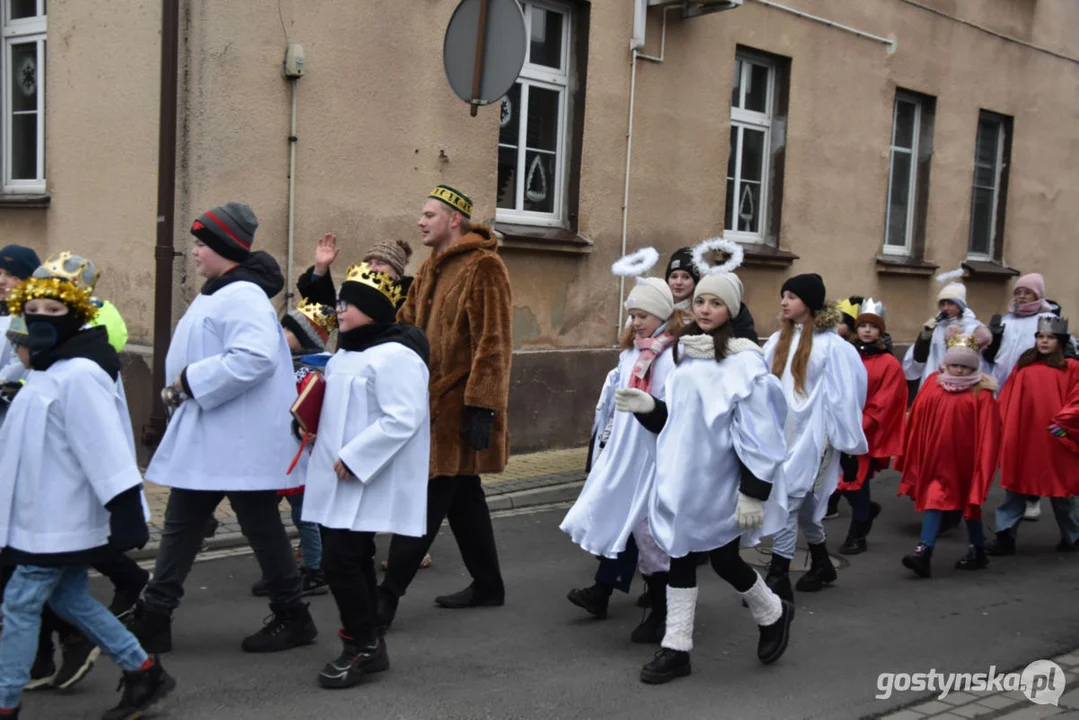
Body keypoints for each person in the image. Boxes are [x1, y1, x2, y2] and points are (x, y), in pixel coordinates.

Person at [130, 202, 318, 654]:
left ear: (223, 248)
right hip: (220, 438)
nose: (193, 252)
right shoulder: (223, 290)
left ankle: (158, 615)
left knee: (202, 524)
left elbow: (252, 358)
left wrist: (189, 382)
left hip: (231, 439)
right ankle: (160, 614)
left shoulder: (242, 295)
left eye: (200, 244)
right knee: (204, 523)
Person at [0, 275, 175, 719]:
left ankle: (6, 702)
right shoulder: (44, 373)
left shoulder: (78, 375)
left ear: (74, 316)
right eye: (33, 311)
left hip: (62, 521)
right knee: (69, 599)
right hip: (40, 519)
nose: (40, 321)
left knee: (20, 603)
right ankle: (144, 670)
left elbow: (105, 445)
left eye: (53, 312)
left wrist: (124, 507)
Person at [614, 265, 792, 684]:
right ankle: (677, 649)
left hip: (721, 483)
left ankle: (772, 613)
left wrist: (753, 492)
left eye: (715, 303)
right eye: (700, 301)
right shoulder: (686, 355)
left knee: (726, 561)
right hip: (683, 482)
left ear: (731, 310)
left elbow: (759, 435)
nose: (706, 309)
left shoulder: (744, 363)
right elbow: (677, 423)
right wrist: (649, 409)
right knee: (683, 555)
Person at [377, 185, 511, 629]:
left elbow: (494, 343)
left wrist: (482, 407)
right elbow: (404, 327)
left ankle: (387, 597)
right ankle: (489, 585)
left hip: (459, 407)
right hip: (426, 403)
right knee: (464, 499)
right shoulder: (430, 268)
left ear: (455, 220)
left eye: (429, 214)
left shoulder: (485, 266)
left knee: (428, 499)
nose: (420, 221)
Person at [301, 263, 430, 689]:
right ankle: (365, 641)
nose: (338, 310)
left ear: (373, 309)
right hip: (342, 478)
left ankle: (364, 645)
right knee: (348, 560)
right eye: (339, 302)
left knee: (341, 561)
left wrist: (357, 457)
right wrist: (307, 422)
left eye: (348, 303)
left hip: (368, 477)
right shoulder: (348, 352)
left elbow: (403, 417)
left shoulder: (395, 356)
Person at [561, 275, 677, 643]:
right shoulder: (630, 355)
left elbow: (675, 410)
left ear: (661, 314)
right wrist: (604, 446)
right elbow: (613, 406)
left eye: (644, 315)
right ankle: (651, 606)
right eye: (633, 315)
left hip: (657, 457)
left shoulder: (674, 356)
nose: (637, 322)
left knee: (653, 534)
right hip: (627, 455)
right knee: (633, 530)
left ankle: (662, 612)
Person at [762, 274, 868, 599]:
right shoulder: (778, 340)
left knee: (789, 503)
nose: (784, 302)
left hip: (815, 438)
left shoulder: (834, 347)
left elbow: (846, 396)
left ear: (808, 302)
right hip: (783, 437)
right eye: (783, 295)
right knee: (805, 509)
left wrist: (846, 445)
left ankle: (778, 577)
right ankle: (823, 564)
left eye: (791, 296)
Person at [249, 298, 339, 598]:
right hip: (275, 451)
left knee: (304, 517)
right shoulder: (282, 363)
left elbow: (321, 408)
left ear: (303, 337)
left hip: (302, 455)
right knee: (263, 518)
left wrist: (311, 429)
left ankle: (314, 570)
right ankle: (279, 571)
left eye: (287, 331)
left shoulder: (315, 370)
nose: (280, 336)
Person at [897, 327, 1001, 576]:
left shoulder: (981, 394)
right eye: (954, 365)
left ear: (974, 368)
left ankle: (977, 550)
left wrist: (982, 466)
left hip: (966, 464)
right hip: (937, 460)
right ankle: (924, 551)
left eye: (965, 367)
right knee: (935, 500)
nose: (959, 370)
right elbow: (919, 419)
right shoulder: (934, 386)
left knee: (969, 507)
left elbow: (990, 433)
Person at [987, 316, 1079, 556]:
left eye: (1050, 337)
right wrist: (1001, 426)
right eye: (1040, 337)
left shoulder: (1072, 368)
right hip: (1024, 438)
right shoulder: (1024, 366)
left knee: (1063, 491)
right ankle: (1005, 535)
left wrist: (1062, 424)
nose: (1044, 341)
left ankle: (1073, 536)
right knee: (1015, 487)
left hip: (1056, 439)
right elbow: (1008, 399)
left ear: (1060, 341)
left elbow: (1077, 400)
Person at [982, 273, 1059, 522]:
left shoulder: (1047, 321)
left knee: (1033, 444)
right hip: (1004, 387)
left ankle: (1033, 497)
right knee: (1010, 443)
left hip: (1036, 393)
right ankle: (1013, 491)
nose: (1022, 296)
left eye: (1027, 292)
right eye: (1018, 292)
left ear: (1038, 295)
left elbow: (1061, 353)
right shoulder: (1006, 321)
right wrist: (990, 344)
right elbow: (992, 356)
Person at [836, 299, 907, 554]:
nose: (867, 330)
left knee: (856, 481)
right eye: (863, 325)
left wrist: (858, 428)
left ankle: (857, 534)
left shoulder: (889, 364)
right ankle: (866, 512)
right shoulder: (847, 353)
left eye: (872, 326)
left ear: (881, 331)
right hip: (840, 428)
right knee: (837, 481)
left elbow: (884, 403)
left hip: (865, 434)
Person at [903, 270, 985, 391]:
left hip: (962, 385)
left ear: (960, 305)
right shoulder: (936, 326)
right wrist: (924, 337)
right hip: (935, 383)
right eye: (942, 304)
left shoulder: (972, 327)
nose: (945, 308)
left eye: (951, 303)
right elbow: (919, 359)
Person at [297, 233, 414, 310]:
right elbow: (325, 312)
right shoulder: (354, 294)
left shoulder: (408, 301)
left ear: (397, 272)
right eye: (369, 263)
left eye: (380, 263)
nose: (372, 268)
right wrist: (320, 268)